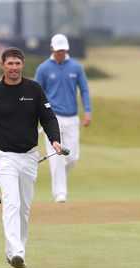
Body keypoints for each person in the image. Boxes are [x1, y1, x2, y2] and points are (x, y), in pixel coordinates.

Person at [0, 47, 61, 268]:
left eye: (17, 63)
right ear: (2, 65)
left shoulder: (34, 89)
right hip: (4, 156)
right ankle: (18, 252)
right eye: (10, 63)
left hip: (30, 157)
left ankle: (12, 251)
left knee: (24, 207)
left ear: (23, 64)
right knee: (11, 203)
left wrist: (55, 140)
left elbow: (48, 118)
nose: (14, 67)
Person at [34, 34, 91, 203]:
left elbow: (85, 89)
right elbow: (36, 94)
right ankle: (60, 193)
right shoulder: (43, 68)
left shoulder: (75, 66)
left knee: (71, 156)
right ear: (52, 48)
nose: (61, 52)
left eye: (64, 49)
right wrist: (35, 117)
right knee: (57, 156)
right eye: (58, 50)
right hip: (52, 118)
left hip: (72, 117)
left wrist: (87, 111)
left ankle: (59, 183)